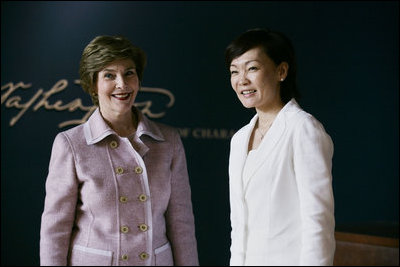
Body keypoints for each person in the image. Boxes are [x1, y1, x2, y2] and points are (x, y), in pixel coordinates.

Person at [40, 35, 199, 266]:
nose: (122, 84)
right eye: (109, 75)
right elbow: (55, 229)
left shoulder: (168, 141)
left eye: (129, 73)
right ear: (93, 84)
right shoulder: (71, 144)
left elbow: (182, 223)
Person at [225, 28, 335, 266]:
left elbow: (318, 221)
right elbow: (239, 224)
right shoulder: (239, 139)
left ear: (281, 71)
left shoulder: (303, 129)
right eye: (235, 71)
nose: (242, 80)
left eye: (252, 68)